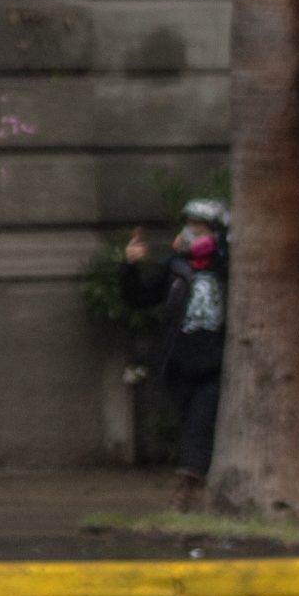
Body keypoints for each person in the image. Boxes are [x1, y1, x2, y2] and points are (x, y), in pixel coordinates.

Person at [121, 198, 230, 509]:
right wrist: (129, 266)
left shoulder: (227, 269)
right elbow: (139, 298)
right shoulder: (175, 268)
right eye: (190, 226)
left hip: (215, 362)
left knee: (200, 422)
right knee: (190, 424)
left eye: (200, 227)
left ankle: (186, 489)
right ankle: (198, 481)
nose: (192, 233)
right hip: (179, 361)